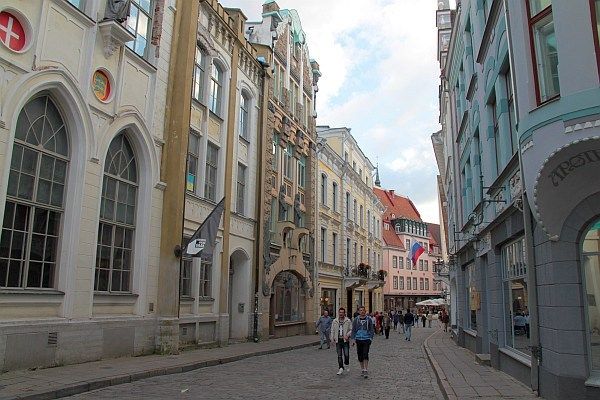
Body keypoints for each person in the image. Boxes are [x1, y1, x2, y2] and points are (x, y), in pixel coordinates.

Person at [351, 306, 375, 378]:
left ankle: (365, 369)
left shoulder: (369, 319)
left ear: (365, 311)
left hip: (366, 339)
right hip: (358, 339)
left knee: (365, 353)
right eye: (360, 310)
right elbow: (353, 330)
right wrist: (353, 339)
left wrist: (370, 338)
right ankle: (362, 368)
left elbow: (371, 329)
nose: (362, 312)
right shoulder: (356, 319)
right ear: (358, 312)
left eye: (363, 310)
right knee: (360, 355)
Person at [331, 307, 353, 375]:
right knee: (339, 355)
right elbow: (332, 330)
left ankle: (346, 363)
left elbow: (351, 329)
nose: (341, 314)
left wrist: (347, 335)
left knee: (346, 354)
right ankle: (341, 368)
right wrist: (332, 338)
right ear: (338, 313)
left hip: (345, 340)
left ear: (344, 313)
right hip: (338, 340)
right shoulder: (335, 321)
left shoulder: (348, 321)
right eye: (340, 312)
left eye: (342, 312)